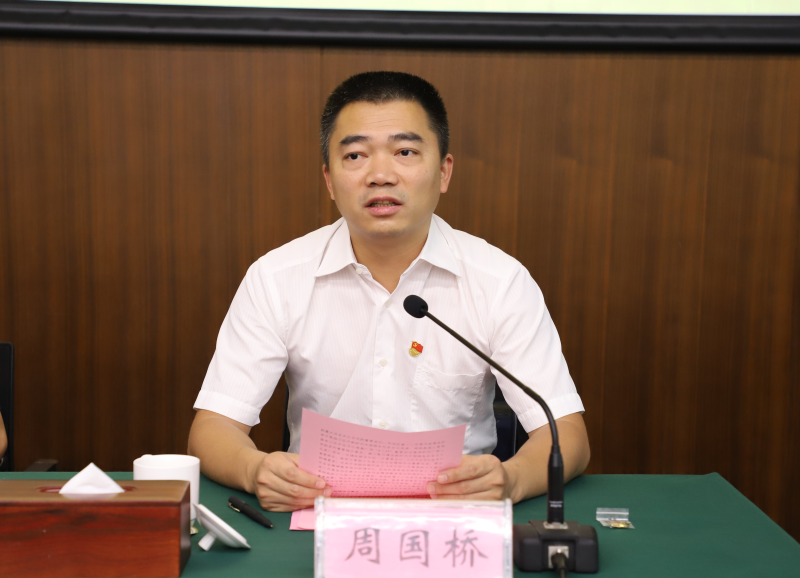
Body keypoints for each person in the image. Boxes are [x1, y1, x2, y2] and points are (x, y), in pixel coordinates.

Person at [188, 71, 590, 512]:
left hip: (455, 515)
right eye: (355, 155)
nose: (380, 175)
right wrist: (254, 469)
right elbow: (213, 428)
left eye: (405, 152)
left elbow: (566, 435)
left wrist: (511, 479)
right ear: (329, 180)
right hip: (319, 515)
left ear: (444, 172)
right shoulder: (276, 277)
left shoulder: (499, 281)